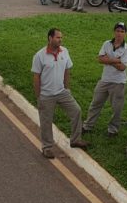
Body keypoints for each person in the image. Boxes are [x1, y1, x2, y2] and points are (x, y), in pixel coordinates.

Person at [31, 28, 89, 159]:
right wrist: (39, 96)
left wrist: (67, 89)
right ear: (50, 38)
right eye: (57, 37)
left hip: (62, 92)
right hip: (46, 95)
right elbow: (36, 77)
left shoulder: (65, 51)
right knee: (46, 121)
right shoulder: (40, 56)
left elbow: (67, 71)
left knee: (76, 111)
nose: (60, 40)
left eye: (61, 38)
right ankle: (47, 147)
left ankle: (75, 140)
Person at [83, 23, 127, 137]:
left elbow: (122, 68)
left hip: (118, 82)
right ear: (114, 32)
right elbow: (100, 59)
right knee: (95, 103)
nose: (119, 33)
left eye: (122, 31)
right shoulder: (106, 44)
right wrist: (116, 60)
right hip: (104, 80)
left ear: (125, 34)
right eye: (117, 31)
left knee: (116, 108)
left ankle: (113, 129)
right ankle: (88, 125)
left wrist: (108, 59)